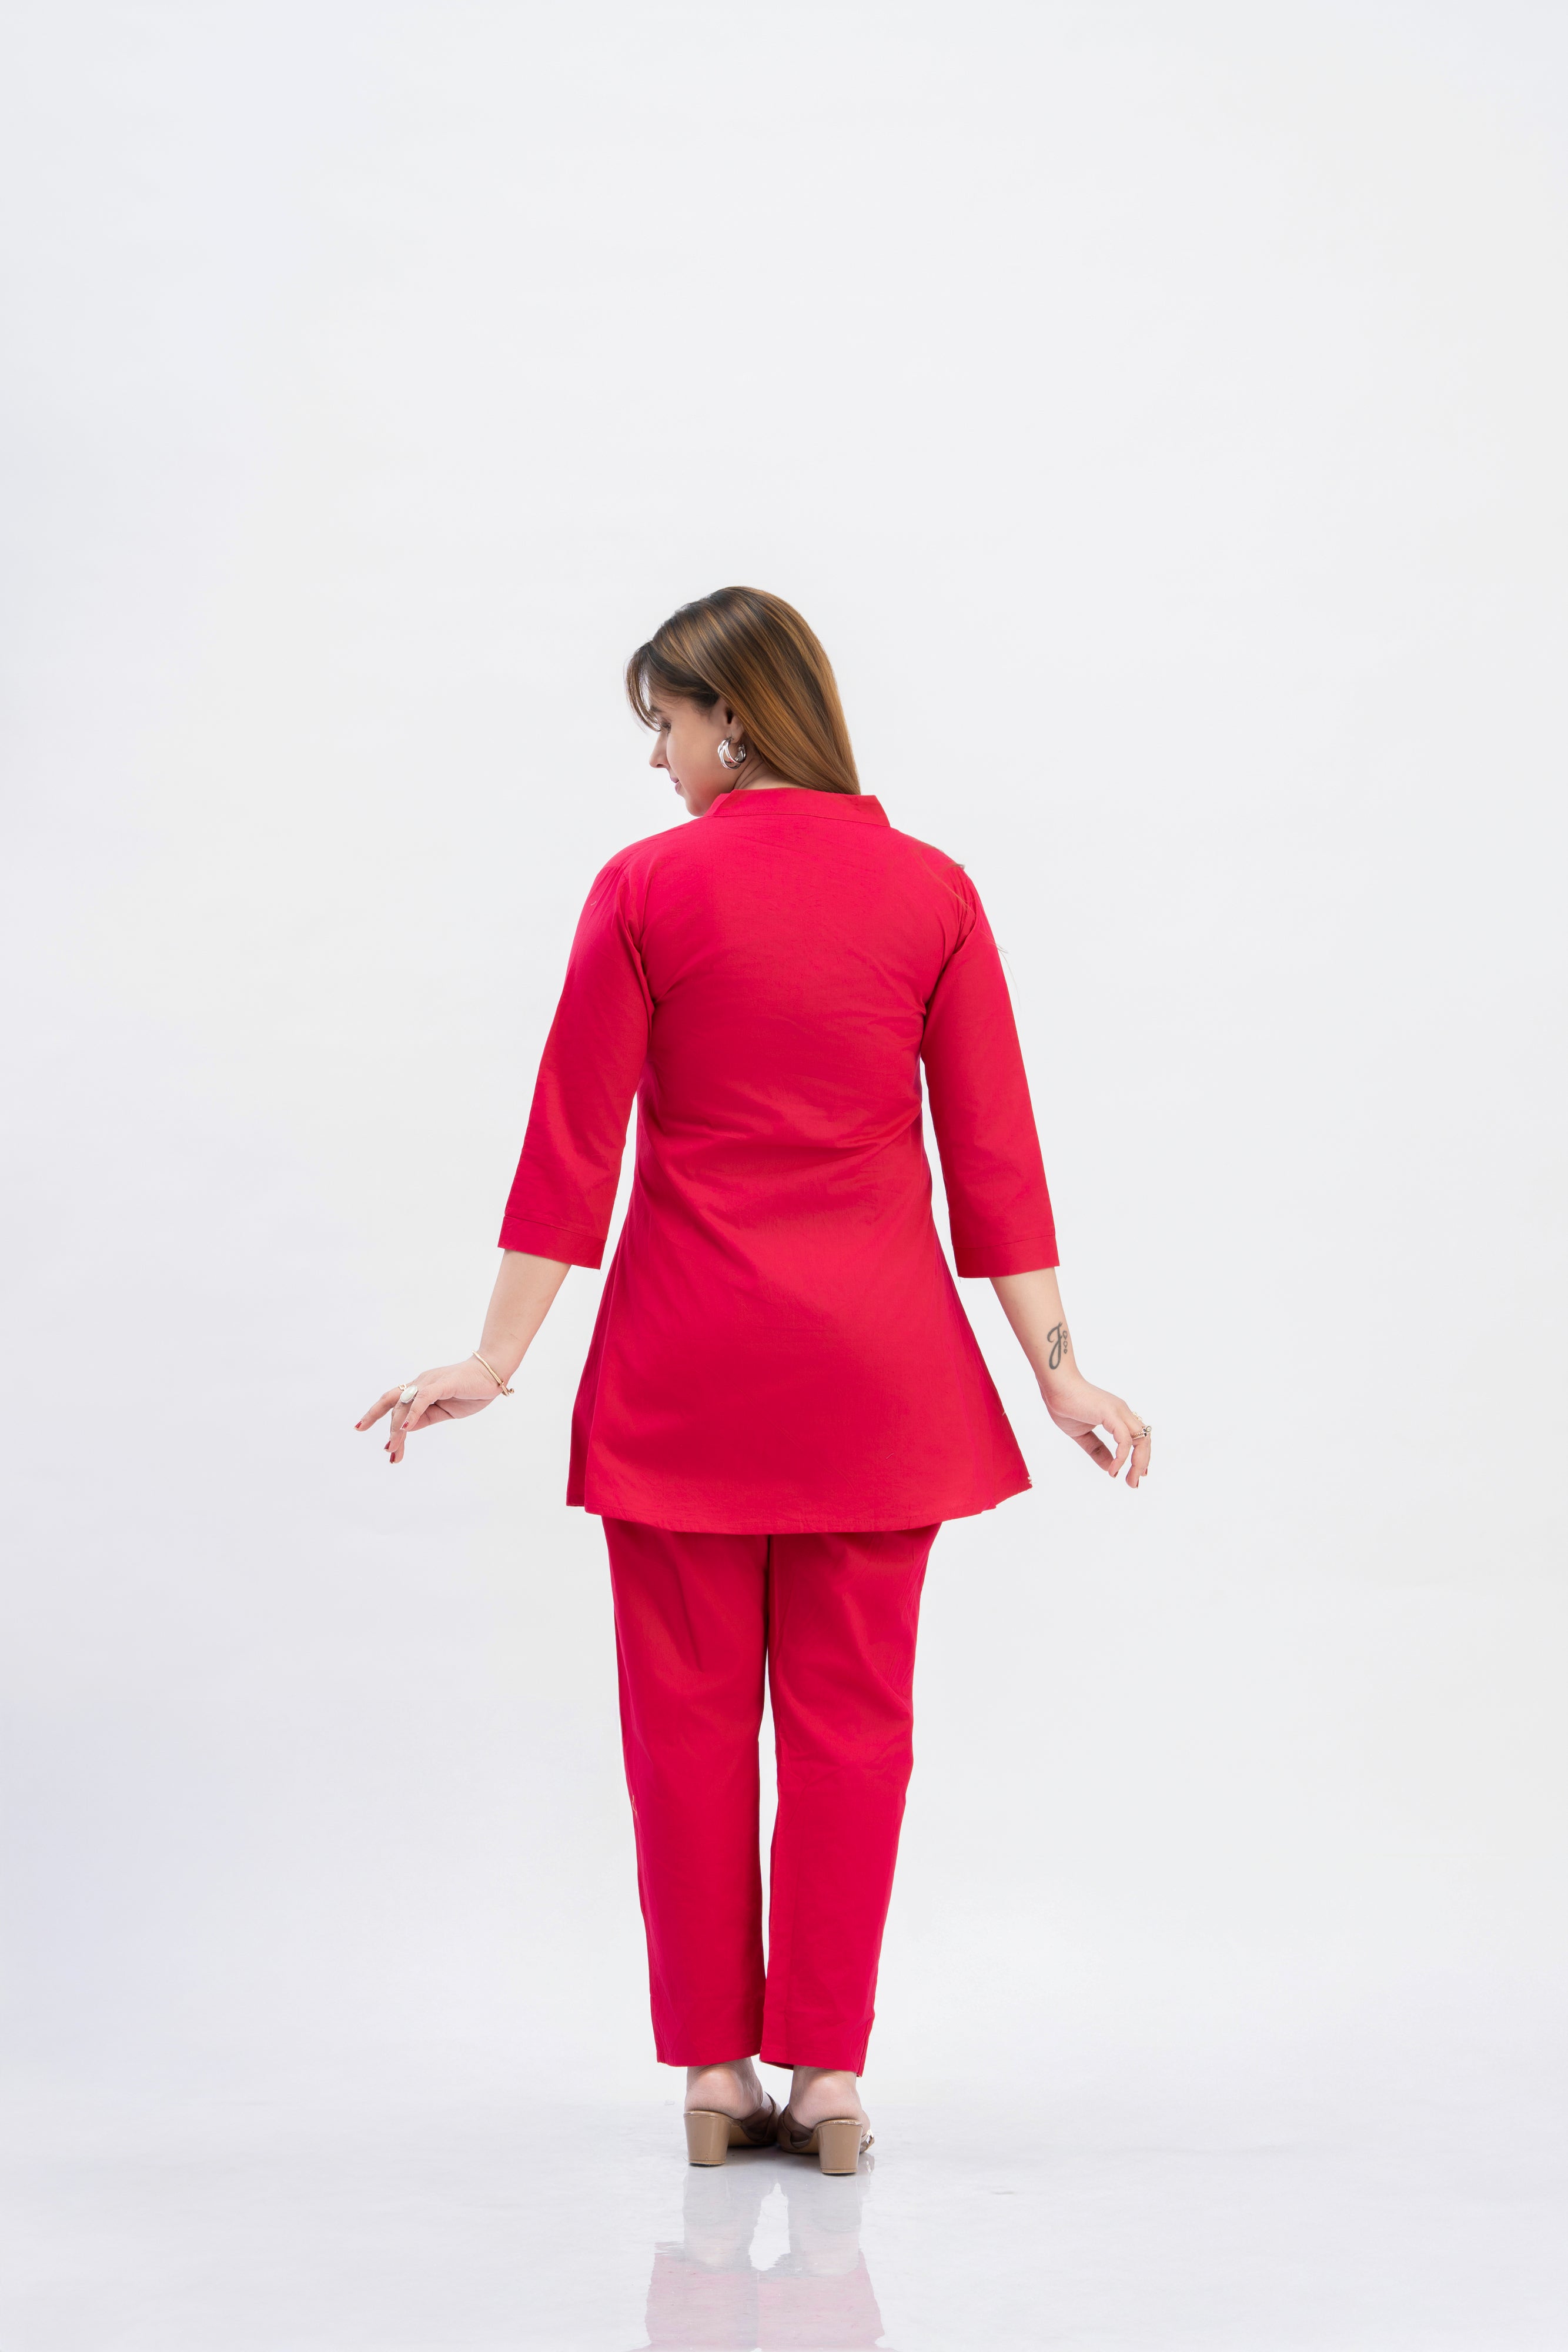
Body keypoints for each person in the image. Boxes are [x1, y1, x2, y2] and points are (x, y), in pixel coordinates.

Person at [356, 586, 1151, 2174]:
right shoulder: (932, 893)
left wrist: (497, 1358)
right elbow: (995, 1159)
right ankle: (831, 2077)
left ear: (732, 715)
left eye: (663, 724)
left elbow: (572, 1146)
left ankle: (718, 2077)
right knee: (857, 1729)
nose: (656, 760)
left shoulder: (646, 890)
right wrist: (1060, 1373)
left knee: (686, 1728)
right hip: (878, 1382)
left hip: (686, 1372)